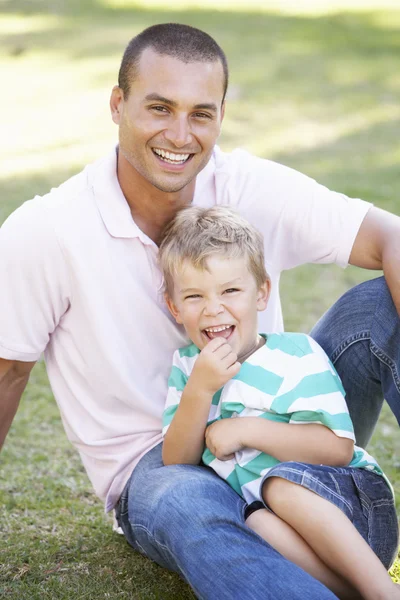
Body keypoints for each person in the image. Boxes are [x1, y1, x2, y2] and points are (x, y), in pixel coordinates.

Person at [0, 21, 399, 600]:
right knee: (189, 499)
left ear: (220, 115)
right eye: (159, 108)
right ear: (117, 104)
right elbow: (8, 371)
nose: (180, 135)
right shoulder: (46, 230)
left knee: (379, 307)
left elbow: (391, 237)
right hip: (163, 465)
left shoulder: (249, 183)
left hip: (288, 432)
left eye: (201, 113)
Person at [159, 205, 399, 600]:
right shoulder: (189, 369)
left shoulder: (295, 356)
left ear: (262, 293)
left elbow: (337, 448)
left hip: (353, 510)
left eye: (230, 290)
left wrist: (245, 429)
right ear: (174, 307)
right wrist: (199, 392)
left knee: (279, 488)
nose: (213, 308)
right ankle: (354, 592)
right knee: (253, 523)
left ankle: (382, 591)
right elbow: (178, 464)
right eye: (194, 296)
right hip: (293, 538)